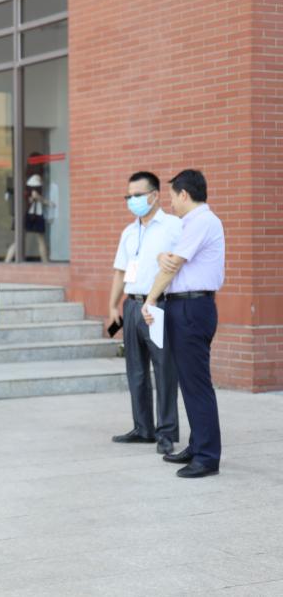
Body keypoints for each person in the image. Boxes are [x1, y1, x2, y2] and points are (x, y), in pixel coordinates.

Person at [143, 169, 225, 479]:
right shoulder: (191, 224)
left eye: (173, 197)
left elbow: (173, 264)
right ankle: (197, 444)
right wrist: (163, 257)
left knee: (196, 383)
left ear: (184, 194)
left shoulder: (202, 221)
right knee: (189, 382)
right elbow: (169, 259)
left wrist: (150, 299)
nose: (172, 204)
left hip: (192, 307)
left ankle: (207, 456)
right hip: (184, 306)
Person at [108, 171, 182, 455]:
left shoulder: (173, 226)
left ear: (154, 195)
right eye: (128, 196)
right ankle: (143, 428)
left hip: (159, 306)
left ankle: (166, 433)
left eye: (137, 195)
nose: (132, 200)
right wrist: (112, 305)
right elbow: (120, 271)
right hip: (132, 305)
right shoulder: (129, 232)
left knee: (164, 370)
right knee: (136, 371)